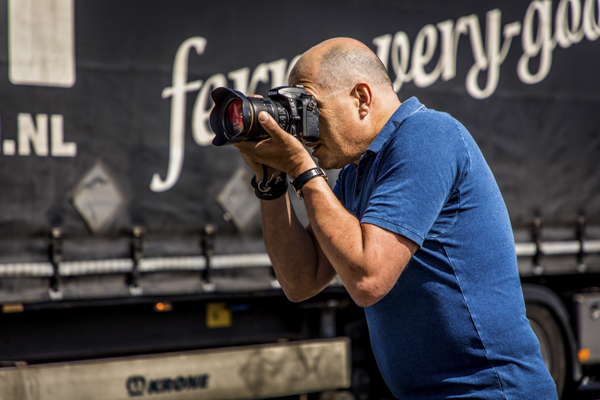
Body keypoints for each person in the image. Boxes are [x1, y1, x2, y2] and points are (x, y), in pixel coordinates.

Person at [234, 37, 558, 399]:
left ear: (361, 98)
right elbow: (300, 281)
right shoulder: (359, 171)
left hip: (490, 392)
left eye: (310, 109)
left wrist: (302, 169)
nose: (304, 132)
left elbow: (368, 279)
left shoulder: (427, 136)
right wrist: (272, 184)